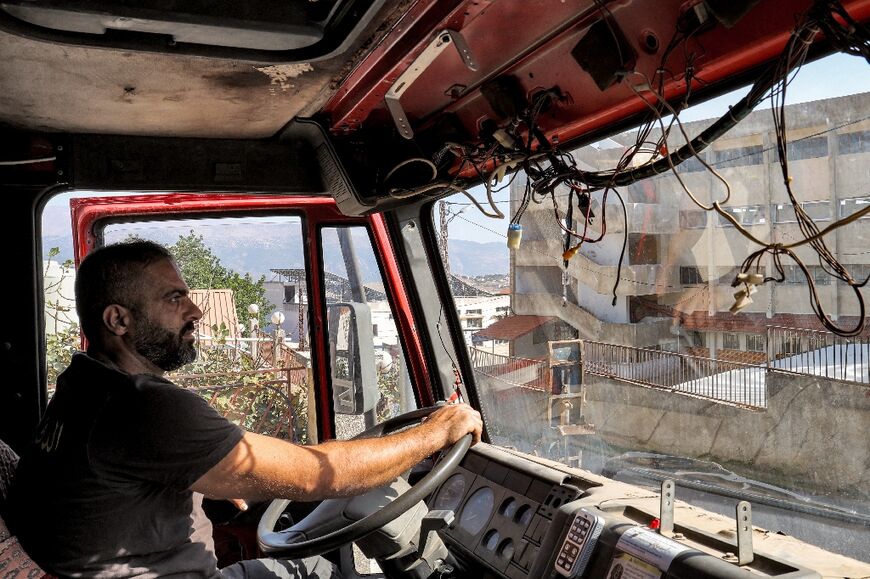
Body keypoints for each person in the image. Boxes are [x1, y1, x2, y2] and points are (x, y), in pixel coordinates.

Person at [7, 241, 482, 579]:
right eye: (175, 299)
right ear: (119, 320)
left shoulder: (82, 384)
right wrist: (438, 431)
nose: (195, 311)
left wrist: (216, 483)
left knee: (318, 565)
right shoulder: (142, 406)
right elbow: (327, 475)